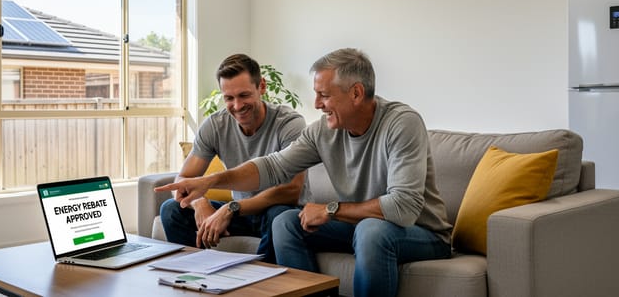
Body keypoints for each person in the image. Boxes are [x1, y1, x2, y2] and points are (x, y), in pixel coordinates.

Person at [157, 48, 453, 297]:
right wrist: (211, 181)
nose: (316, 104)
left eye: (323, 95)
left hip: (420, 233)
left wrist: (331, 209)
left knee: (370, 229)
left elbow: (403, 209)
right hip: (360, 224)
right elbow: (273, 166)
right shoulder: (323, 131)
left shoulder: (402, 123)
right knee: (286, 222)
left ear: (356, 93)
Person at [160, 53, 306, 263]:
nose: (237, 106)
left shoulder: (289, 124)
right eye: (229, 98)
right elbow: (183, 179)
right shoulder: (215, 125)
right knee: (172, 209)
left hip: (276, 211)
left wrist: (231, 209)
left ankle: (259, 284)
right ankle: (198, 275)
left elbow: (292, 189)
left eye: (244, 95)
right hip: (239, 214)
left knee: (280, 216)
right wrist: (200, 203)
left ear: (262, 86)